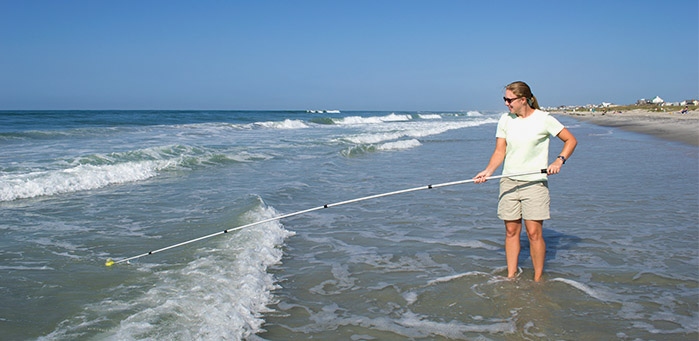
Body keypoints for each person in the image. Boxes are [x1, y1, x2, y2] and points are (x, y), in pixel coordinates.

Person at [473, 81, 577, 282]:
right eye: (504, 99)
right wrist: (487, 171)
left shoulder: (544, 119)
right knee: (511, 231)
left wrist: (559, 160)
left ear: (523, 100)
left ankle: (538, 279)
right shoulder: (505, 120)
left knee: (533, 233)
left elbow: (570, 140)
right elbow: (499, 151)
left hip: (534, 184)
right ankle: (511, 275)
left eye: (509, 99)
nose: (506, 104)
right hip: (509, 181)